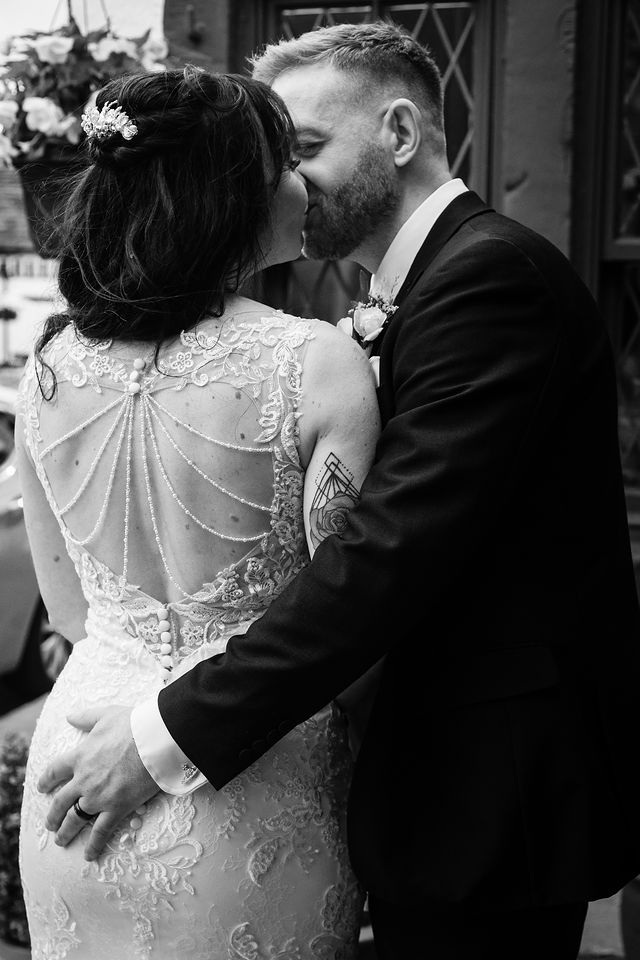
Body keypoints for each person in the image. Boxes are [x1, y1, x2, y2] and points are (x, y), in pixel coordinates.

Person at [37, 21, 640, 960]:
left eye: (306, 147)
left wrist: (165, 731)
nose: (288, 179)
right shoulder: (380, 307)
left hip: (487, 793)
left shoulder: (491, 278)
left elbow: (384, 557)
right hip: (374, 778)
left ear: (399, 132)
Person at [16, 65, 380, 959]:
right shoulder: (316, 361)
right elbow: (347, 629)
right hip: (250, 785)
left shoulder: (49, 369)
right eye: (285, 162)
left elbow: (68, 611)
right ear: (234, 193)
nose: (303, 182)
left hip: (75, 764)